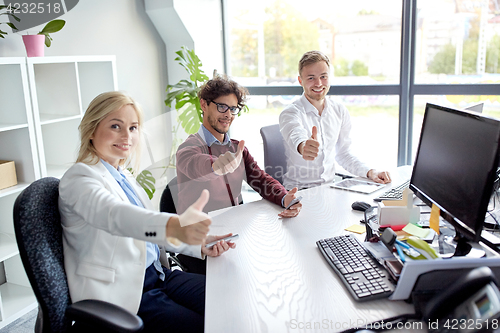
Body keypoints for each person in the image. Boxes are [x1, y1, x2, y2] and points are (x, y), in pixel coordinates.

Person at [58, 91, 235, 333]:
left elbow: (147, 237)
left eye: (133, 128)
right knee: (205, 326)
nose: (126, 136)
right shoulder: (79, 179)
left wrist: (198, 245)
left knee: (231, 298)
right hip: (127, 292)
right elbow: (115, 216)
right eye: (115, 126)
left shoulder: (123, 175)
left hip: (159, 276)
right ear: (91, 130)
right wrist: (175, 226)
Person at [175, 75, 302, 273]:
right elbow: (195, 165)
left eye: (233, 109)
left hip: (232, 234)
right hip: (201, 243)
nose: (228, 114)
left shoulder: (236, 148)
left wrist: (285, 198)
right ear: (204, 104)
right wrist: (216, 165)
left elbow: (260, 180)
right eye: (221, 107)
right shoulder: (188, 149)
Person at [279, 50, 392, 190]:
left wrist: (370, 172)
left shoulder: (339, 111)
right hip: (298, 193)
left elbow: (343, 154)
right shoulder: (290, 113)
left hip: (330, 190)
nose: (319, 83)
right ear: (300, 81)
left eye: (323, 76)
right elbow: (295, 134)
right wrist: (303, 147)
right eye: (311, 78)